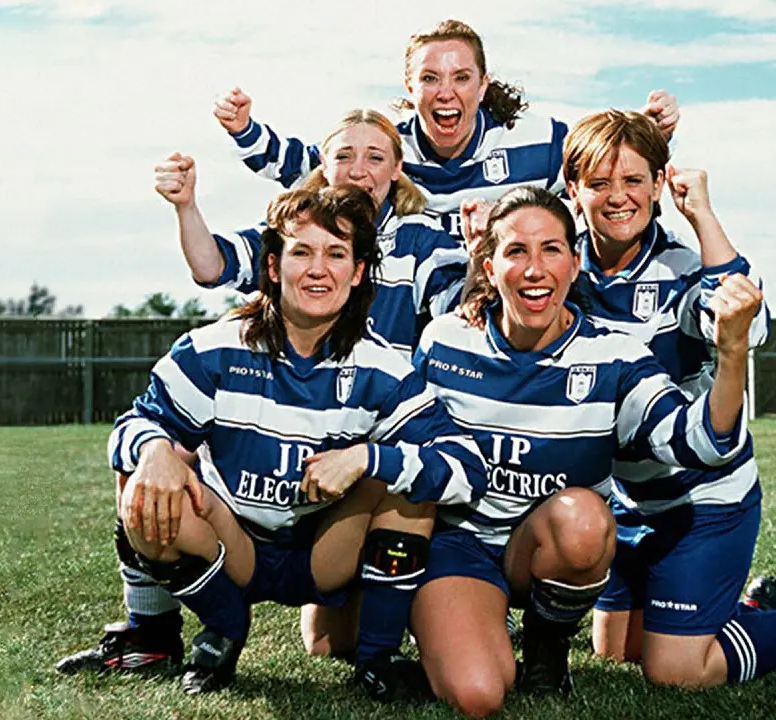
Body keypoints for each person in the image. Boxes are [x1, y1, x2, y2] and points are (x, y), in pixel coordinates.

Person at [69, 185, 489, 696]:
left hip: (324, 550)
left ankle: (379, 659)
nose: (319, 269)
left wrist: (365, 457)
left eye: (336, 254)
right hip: (234, 543)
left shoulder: (383, 367)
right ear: (273, 267)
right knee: (143, 478)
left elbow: (467, 468)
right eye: (302, 252)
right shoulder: (214, 348)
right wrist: (156, 450)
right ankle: (222, 628)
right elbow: (133, 425)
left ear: (358, 273)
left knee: (407, 485)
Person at [407, 186, 765, 717]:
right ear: (487, 264)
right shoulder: (445, 341)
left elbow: (701, 443)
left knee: (585, 520)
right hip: (465, 544)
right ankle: (472, 626)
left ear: (575, 265)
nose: (535, 269)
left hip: (549, 545)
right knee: (477, 695)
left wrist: (732, 355)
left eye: (551, 250)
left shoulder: (614, 354)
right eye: (516, 251)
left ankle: (548, 647)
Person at [553, 109, 776, 689]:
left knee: (675, 671)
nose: (618, 197)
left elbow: (747, 328)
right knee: (613, 653)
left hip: (703, 500)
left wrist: (700, 211)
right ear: (574, 190)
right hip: (627, 501)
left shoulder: (680, 267)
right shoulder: (562, 264)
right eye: (599, 183)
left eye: (633, 181)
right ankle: (753, 612)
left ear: (658, 185)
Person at [211, 19, 680, 237]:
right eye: (430, 79)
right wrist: (245, 127)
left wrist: (653, 131)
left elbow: (604, 166)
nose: (446, 93)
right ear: (410, 88)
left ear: (482, 85)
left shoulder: (535, 138)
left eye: (461, 78)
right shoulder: (384, 146)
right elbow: (302, 164)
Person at [169, 108, 469, 359]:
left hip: (383, 414)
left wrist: (481, 251)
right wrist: (186, 205)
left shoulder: (421, 238)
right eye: (344, 157)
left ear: (396, 168)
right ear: (324, 165)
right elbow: (211, 267)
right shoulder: (294, 227)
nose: (357, 171)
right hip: (300, 407)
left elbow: (465, 312)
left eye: (375, 158)